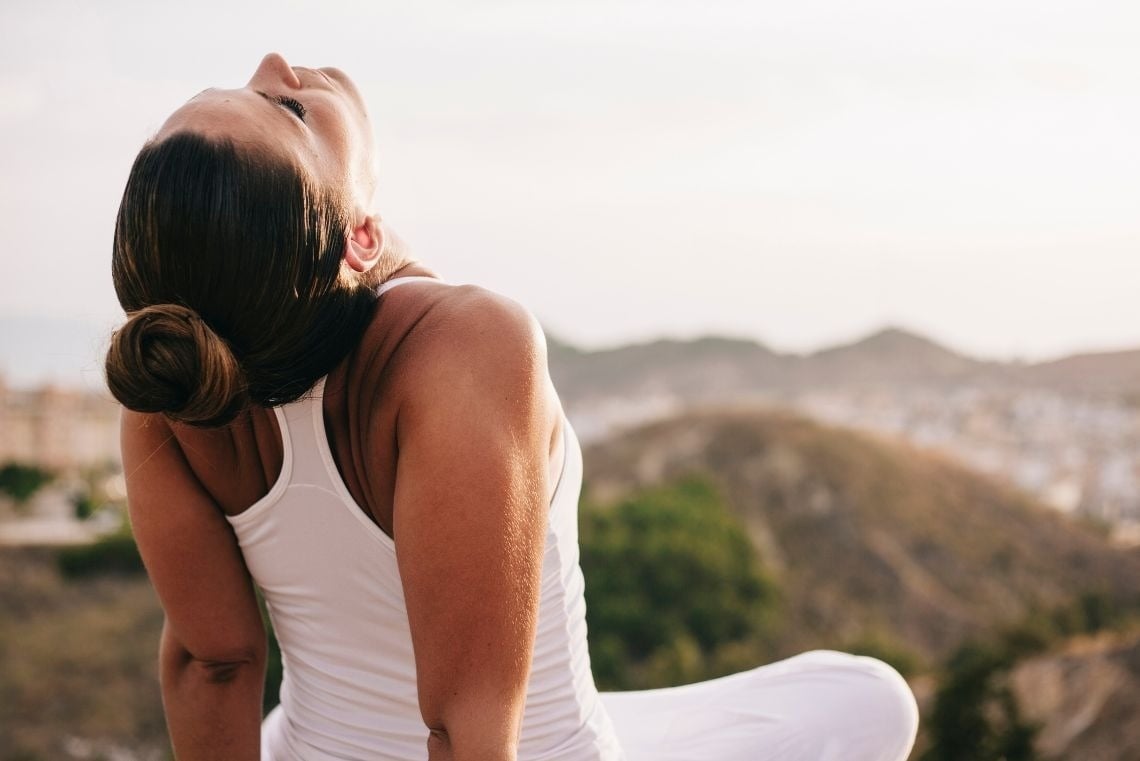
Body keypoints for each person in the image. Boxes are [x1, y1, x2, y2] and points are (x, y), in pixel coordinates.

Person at [106, 52, 919, 761]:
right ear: (357, 240)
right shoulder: (466, 346)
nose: (276, 63)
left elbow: (211, 664)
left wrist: (343, 193)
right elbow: (465, 733)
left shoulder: (170, 388)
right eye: (285, 110)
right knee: (869, 700)